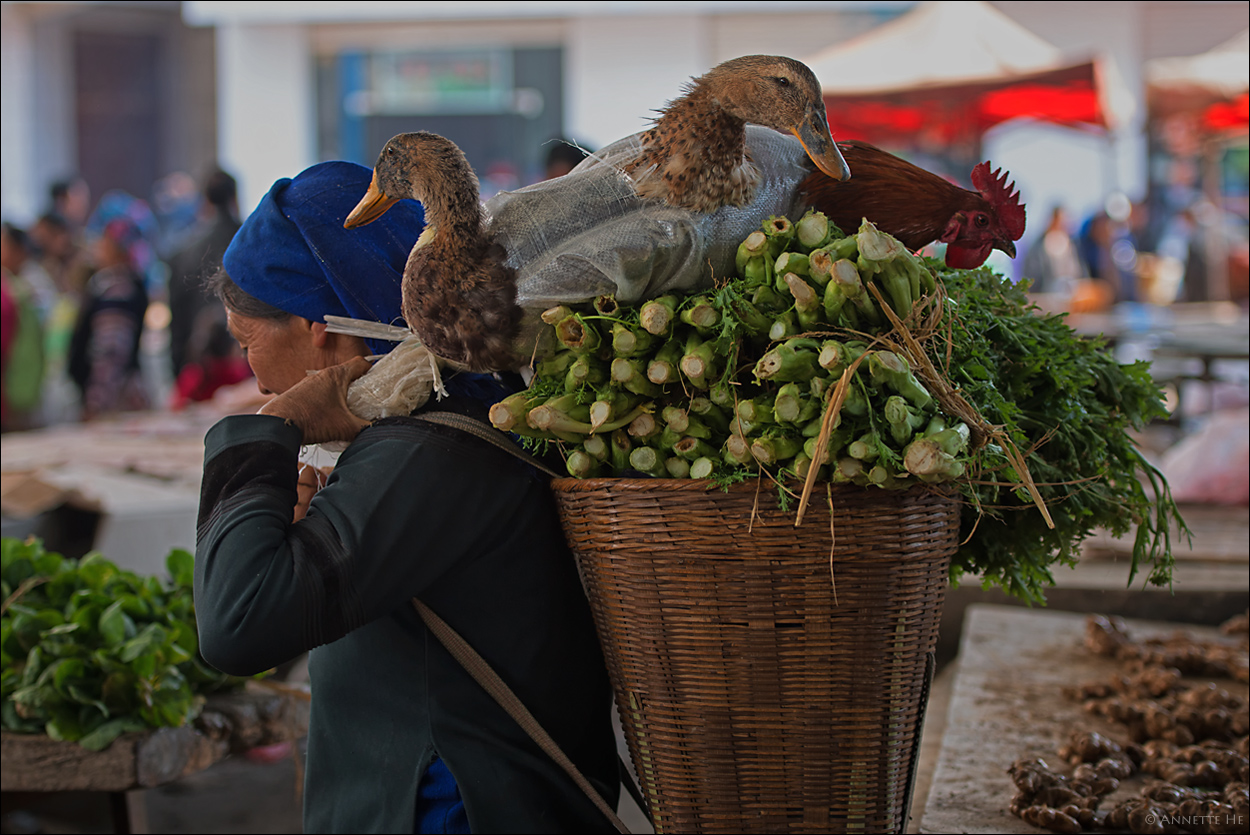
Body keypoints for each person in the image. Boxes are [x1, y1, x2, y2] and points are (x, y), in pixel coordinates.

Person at [193, 161, 620, 833]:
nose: (251, 371)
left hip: (453, 807)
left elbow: (235, 624)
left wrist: (263, 437)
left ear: (318, 324)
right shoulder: (464, 412)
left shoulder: (426, 452)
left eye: (247, 342)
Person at [67, 217, 151, 420]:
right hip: (119, 392)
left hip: (109, 399)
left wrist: (97, 400)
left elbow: (111, 352)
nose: (97, 247)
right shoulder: (127, 284)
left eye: (103, 241)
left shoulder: (116, 290)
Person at [168, 168, 242, 377]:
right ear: (234, 199)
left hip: (198, 369)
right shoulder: (253, 244)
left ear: (205, 201)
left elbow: (177, 321)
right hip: (245, 367)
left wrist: (180, 374)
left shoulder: (182, 251)